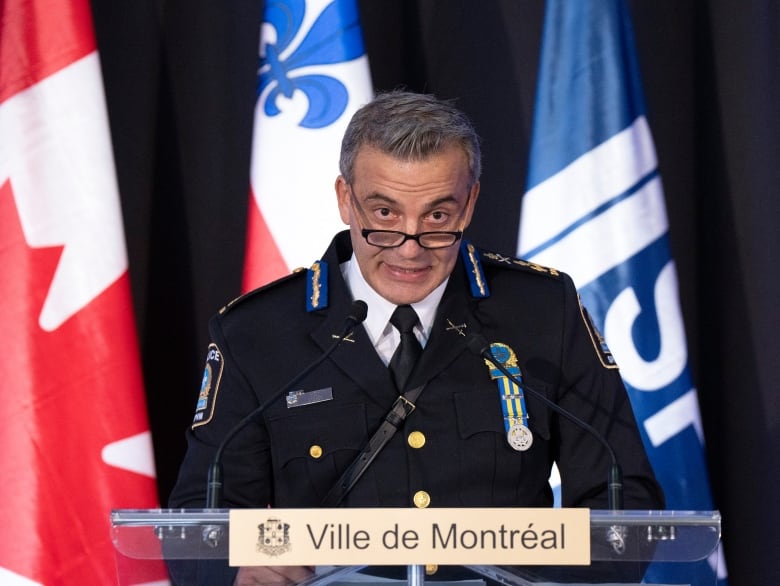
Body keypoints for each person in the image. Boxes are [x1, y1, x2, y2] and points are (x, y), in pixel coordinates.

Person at [168, 91, 664, 585]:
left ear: (468, 204)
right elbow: (199, 527)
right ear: (346, 200)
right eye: (384, 216)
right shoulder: (258, 332)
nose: (410, 248)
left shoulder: (540, 311)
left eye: (437, 218)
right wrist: (235, 569)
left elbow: (623, 501)